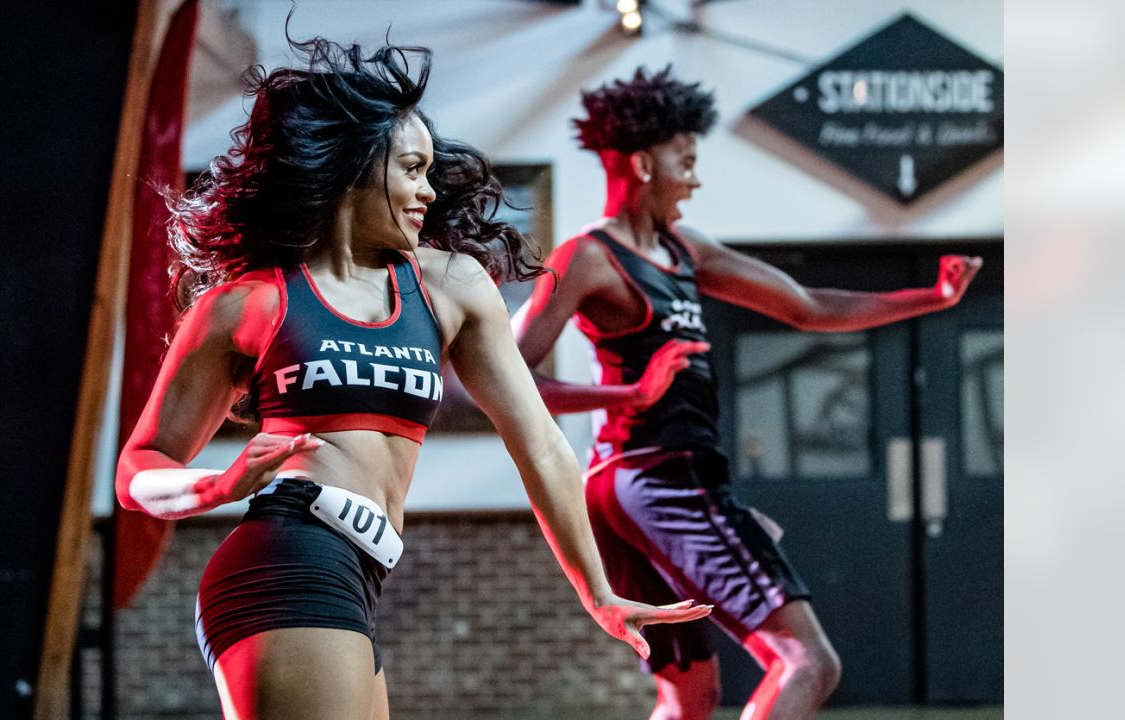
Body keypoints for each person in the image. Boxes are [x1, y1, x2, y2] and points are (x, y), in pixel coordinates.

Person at [114, 38, 711, 720]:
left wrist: (595, 588)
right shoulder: (249, 303)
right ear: (354, 168)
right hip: (283, 563)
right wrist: (209, 486)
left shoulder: (448, 284)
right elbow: (138, 468)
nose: (429, 190)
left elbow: (540, 444)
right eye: (412, 168)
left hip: (359, 575)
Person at [512, 66, 982, 720]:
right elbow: (502, 378)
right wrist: (627, 395)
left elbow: (808, 307)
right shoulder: (587, 257)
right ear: (646, 164)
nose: (697, 178)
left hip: (636, 485)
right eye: (688, 161)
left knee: (691, 695)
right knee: (808, 663)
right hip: (659, 481)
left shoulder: (686, 249)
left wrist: (930, 298)